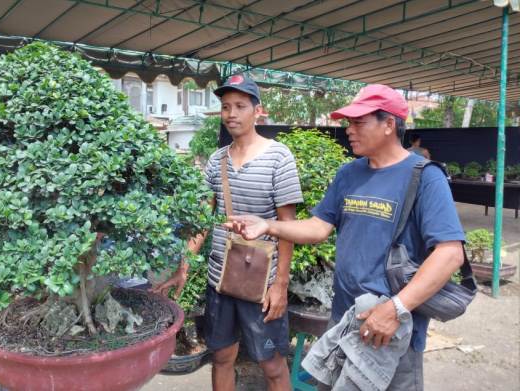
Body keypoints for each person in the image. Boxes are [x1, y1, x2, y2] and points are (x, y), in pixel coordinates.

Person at [226, 84, 465, 390]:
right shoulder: (349, 174)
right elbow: (318, 228)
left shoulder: (424, 177)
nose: (349, 130)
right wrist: (267, 226)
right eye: (349, 122)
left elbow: (450, 253)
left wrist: (395, 309)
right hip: (344, 321)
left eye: (358, 122)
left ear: (389, 124)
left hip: (391, 330)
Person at [153, 74, 303, 391]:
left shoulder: (279, 157)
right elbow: (203, 220)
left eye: (239, 106)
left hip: (261, 284)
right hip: (220, 281)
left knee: (273, 364)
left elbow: (287, 227)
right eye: (225, 107)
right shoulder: (217, 160)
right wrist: (183, 266)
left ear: (257, 111)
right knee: (221, 357)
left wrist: (281, 285)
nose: (231, 113)